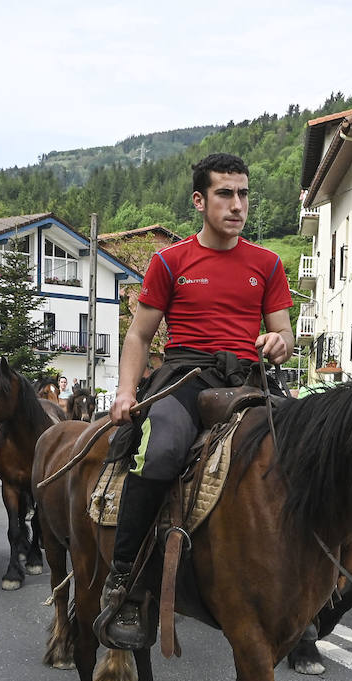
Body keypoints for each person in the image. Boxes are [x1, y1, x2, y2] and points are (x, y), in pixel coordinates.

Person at [96, 152, 293, 651]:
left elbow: (283, 333)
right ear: (199, 201)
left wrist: (278, 343)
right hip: (184, 375)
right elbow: (139, 335)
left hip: (249, 377)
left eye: (243, 194)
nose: (237, 204)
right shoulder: (170, 262)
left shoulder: (267, 264)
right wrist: (125, 391)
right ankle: (124, 583)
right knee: (161, 449)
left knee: (310, 447)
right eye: (225, 194)